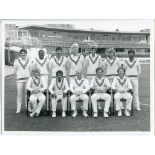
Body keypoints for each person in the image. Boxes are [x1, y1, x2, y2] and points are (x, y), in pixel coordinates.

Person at [14, 48, 33, 113]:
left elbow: (31, 71)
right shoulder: (17, 61)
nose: (23, 54)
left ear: (26, 54)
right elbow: (15, 70)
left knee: (27, 94)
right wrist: (18, 76)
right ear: (20, 54)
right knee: (19, 95)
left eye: (24, 53)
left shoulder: (29, 61)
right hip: (19, 80)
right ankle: (18, 108)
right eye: (22, 53)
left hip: (27, 80)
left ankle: (28, 107)